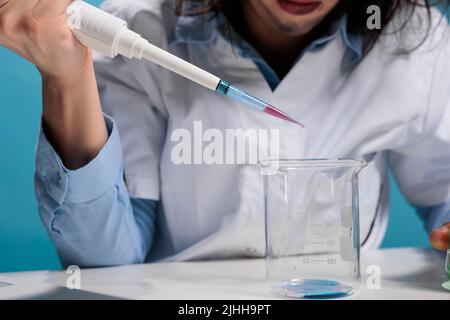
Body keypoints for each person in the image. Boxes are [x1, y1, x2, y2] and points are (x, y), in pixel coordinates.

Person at [0, 0, 449, 267]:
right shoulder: (143, 30)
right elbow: (105, 261)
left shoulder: (413, 40)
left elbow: (443, 191)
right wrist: (66, 76)